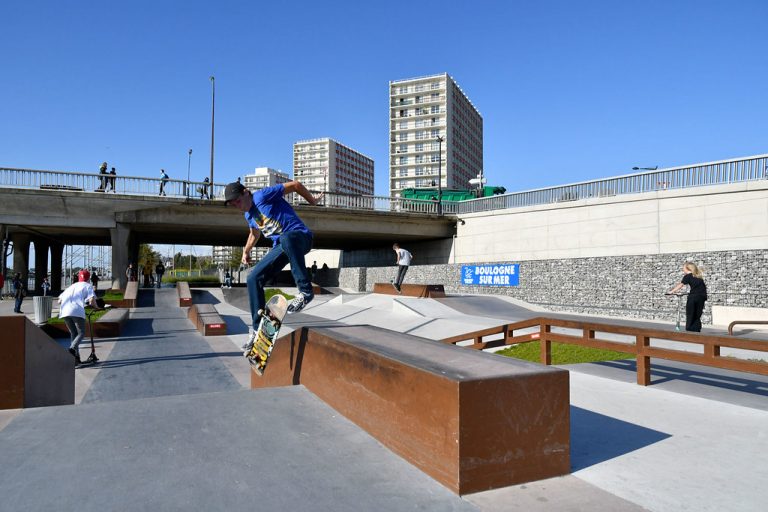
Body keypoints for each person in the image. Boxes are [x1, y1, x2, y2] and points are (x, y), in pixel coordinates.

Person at [224, 179, 320, 350]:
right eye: (234, 205)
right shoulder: (249, 215)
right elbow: (254, 234)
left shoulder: (262, 196)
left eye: (238, 201)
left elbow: (296, 185)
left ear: (246, 192)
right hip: (283, 247)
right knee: (253, 278)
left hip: (301, 238)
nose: (238, 206)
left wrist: (312, 201)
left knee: (286, 237)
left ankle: (305, 291)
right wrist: (246, 251)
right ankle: (257, 330)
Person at [58, 269, 97, 365]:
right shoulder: (88, 286)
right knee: (81, 333)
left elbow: (59, 300)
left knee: (73, 333)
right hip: (76, 311)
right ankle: (72, 349)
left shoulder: (72, 286)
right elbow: (92, 301)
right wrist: (97, 307)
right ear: (88, 278)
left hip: (64, 311)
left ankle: (75, 358)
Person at [668, 261, 708, 332]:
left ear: (687, 269)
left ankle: (690, 329)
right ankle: (696, 329)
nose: (683, 270)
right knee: (697, 314)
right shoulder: (698, 276)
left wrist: (672, 291)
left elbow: (681, 285)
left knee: (690, 313)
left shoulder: (688, 276)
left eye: (683, 268)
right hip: (702, 297)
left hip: (693, 297)